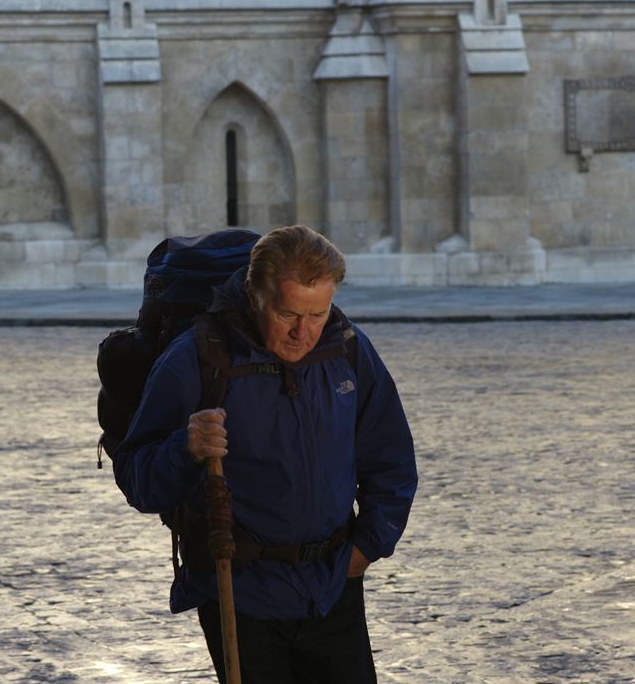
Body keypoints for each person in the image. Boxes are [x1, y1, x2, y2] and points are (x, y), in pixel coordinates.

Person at [114, 225, 417, 684]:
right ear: (255, 294)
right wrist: (185, 447)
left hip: (334, 588)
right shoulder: (196, 357)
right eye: (288, 313)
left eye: (318, 313)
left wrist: (367, 548)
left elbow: (391, 456)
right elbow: (138, 478)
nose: (303, 332)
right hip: (240, 596)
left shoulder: (346, 348)